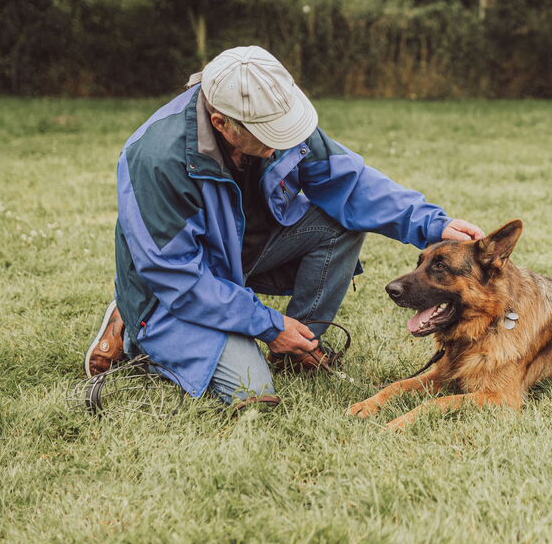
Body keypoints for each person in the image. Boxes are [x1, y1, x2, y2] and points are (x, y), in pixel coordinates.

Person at [84, 46, 484, 409]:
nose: (286, 142)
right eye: (271, 137)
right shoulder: (156, 159)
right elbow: (179, 277)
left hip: (238, 257)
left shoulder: (273, 113)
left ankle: (299, 346)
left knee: (339, 223)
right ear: (222, 123)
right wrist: (267, 325)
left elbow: (350, 182)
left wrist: (435, 224)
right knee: (253, 394)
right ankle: (134, 329)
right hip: (174, 288)